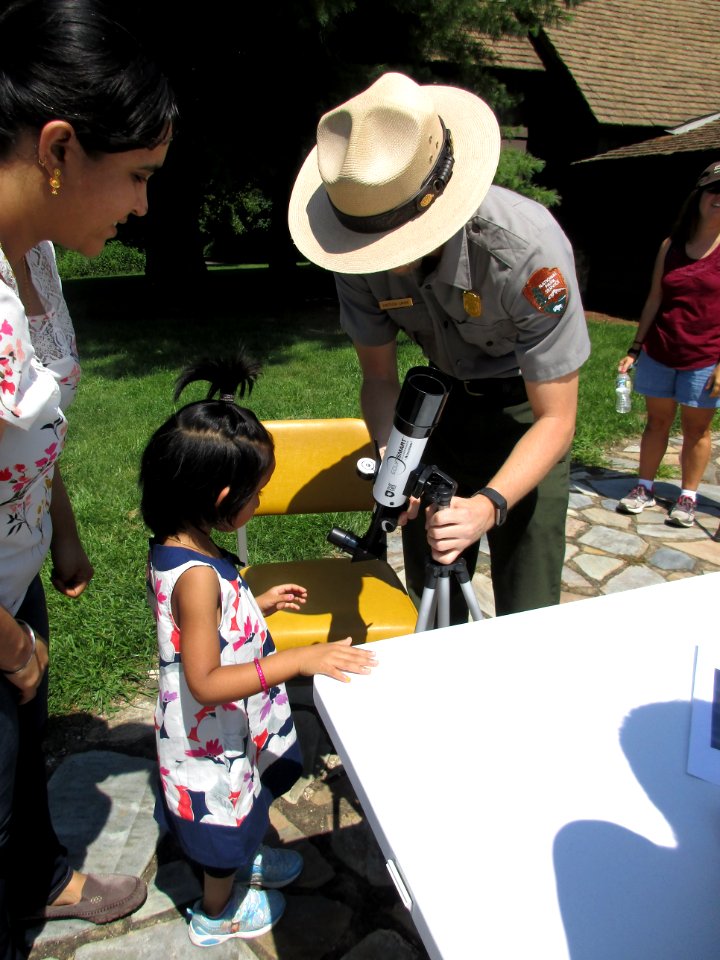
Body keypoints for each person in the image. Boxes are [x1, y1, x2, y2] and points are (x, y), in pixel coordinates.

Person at [0, 0, 177, 954]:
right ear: (59, 148)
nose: (145, 206)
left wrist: (57, 523)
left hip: (13, 574)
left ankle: (40, 878)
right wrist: (10, 643)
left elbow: (33, 413)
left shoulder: (34, 252)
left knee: (20, 761)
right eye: (139, 176)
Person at [288, 72, 591, 623]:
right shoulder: (356, 247)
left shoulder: (526, 255)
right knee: (434, 599)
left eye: (393, 242)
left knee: (532, 609)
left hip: (524, 415)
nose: (379, 260)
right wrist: (393, 463)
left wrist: (490, 504)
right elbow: (379, 378)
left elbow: (557, 417)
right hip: (436, 412)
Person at [139, 354, 377, 946]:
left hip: (229, 726)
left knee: (245, 802)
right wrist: (297, 660)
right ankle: (217, 909)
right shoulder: (195, 575)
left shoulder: (184, 544)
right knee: (221, 830)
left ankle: (246, 854)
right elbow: (207, 682)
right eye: (257, 493)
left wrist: (258, 604)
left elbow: (202, 625)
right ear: (223, 496)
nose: (260, 500)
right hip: (210, 733)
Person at [616, 161, 720, 528]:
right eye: (715, 190)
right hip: (661, 350)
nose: (719, 199)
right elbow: (654, 298)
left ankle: (688, 496)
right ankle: (643, 487)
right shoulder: (671, 246)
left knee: (696, 430)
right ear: (699, 196)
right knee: (656, 422)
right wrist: (635, 347)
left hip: (706, 356)